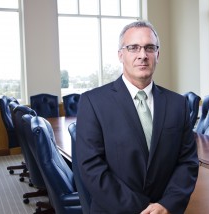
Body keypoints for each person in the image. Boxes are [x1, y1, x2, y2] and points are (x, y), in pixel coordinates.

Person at [76, 20, 199, 214]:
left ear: (157, 54)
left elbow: (187, 162)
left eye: (149, 48)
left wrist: (167, 204)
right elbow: (91, 167)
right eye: (133, 48)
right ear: (120, 55)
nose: (143, 55)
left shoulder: (178, 104)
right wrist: (142, 209)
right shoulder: (93, 102)